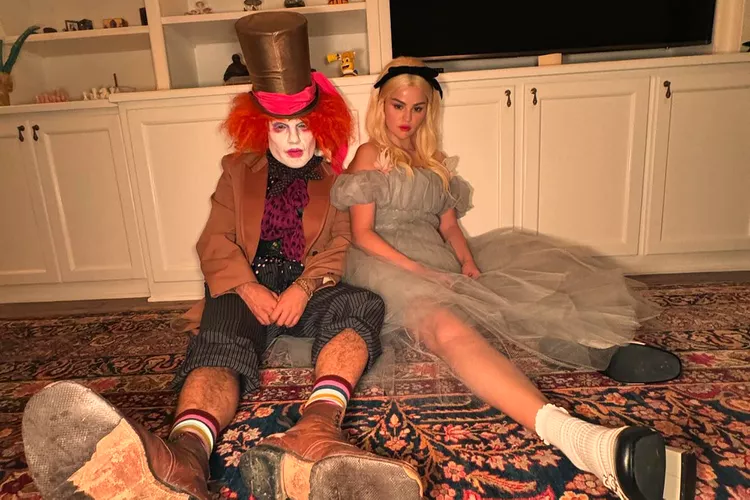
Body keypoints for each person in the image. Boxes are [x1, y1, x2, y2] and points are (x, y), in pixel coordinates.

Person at [21, 15, 423, 500]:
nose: (294, 139)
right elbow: (214, 239)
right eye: (281, 127)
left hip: (306, 290)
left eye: (303, 126)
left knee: (363, 304)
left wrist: (304, 288)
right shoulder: (236, 171)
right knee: (219, 340)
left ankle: (316, 429)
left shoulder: (335, 180)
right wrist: (247, 286)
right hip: (245, 286)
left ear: (320, 129)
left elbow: (340, 243)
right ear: (261, 129)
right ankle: (185, 458)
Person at [329, 56, 672, 500]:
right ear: (382, 105)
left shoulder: (433, 161)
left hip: (435, 255)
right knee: (446, 326)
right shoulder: (370, 155)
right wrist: (422, 272)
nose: (407, 118)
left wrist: (467, 263)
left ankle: (600, 350)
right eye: (398, 106)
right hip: (386, 263)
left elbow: (449, 227)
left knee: (507, 297)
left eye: (417, 108)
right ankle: (575, 438)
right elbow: (363, 234)